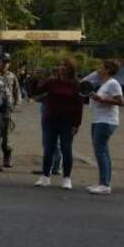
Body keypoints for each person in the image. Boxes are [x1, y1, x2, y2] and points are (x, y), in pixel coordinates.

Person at [31, 58, 81, 190]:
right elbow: (36, 92)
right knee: (48, 148)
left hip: (67, 121)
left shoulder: (75, 84)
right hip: (50, 119)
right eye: (60, 65)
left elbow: (78, 105)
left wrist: (76, 124)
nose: (62, 67)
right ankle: (45, 176)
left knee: (66, 149)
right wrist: (35, 79)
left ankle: (67, 178)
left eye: (65, 65)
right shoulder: (51, 82)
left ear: (71, 69)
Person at [88, 60, 124, 195]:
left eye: (101, 67)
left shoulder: (113, 83)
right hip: (99, 120)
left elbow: (121, 101)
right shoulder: (105, 84)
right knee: (103, 152)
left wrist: (102, 100)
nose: (98, 69)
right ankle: (103, 182)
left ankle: (105, 184)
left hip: (106, 121)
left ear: (108, 70)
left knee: (101, 152)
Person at [0, 53, 21, 167]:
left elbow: (17, 92)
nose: (5, 64)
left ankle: (7, 157)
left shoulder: (12, 76)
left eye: (7, 62)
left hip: (7, 110)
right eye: (3, 62)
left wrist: (16, 105)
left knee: (7, 138)